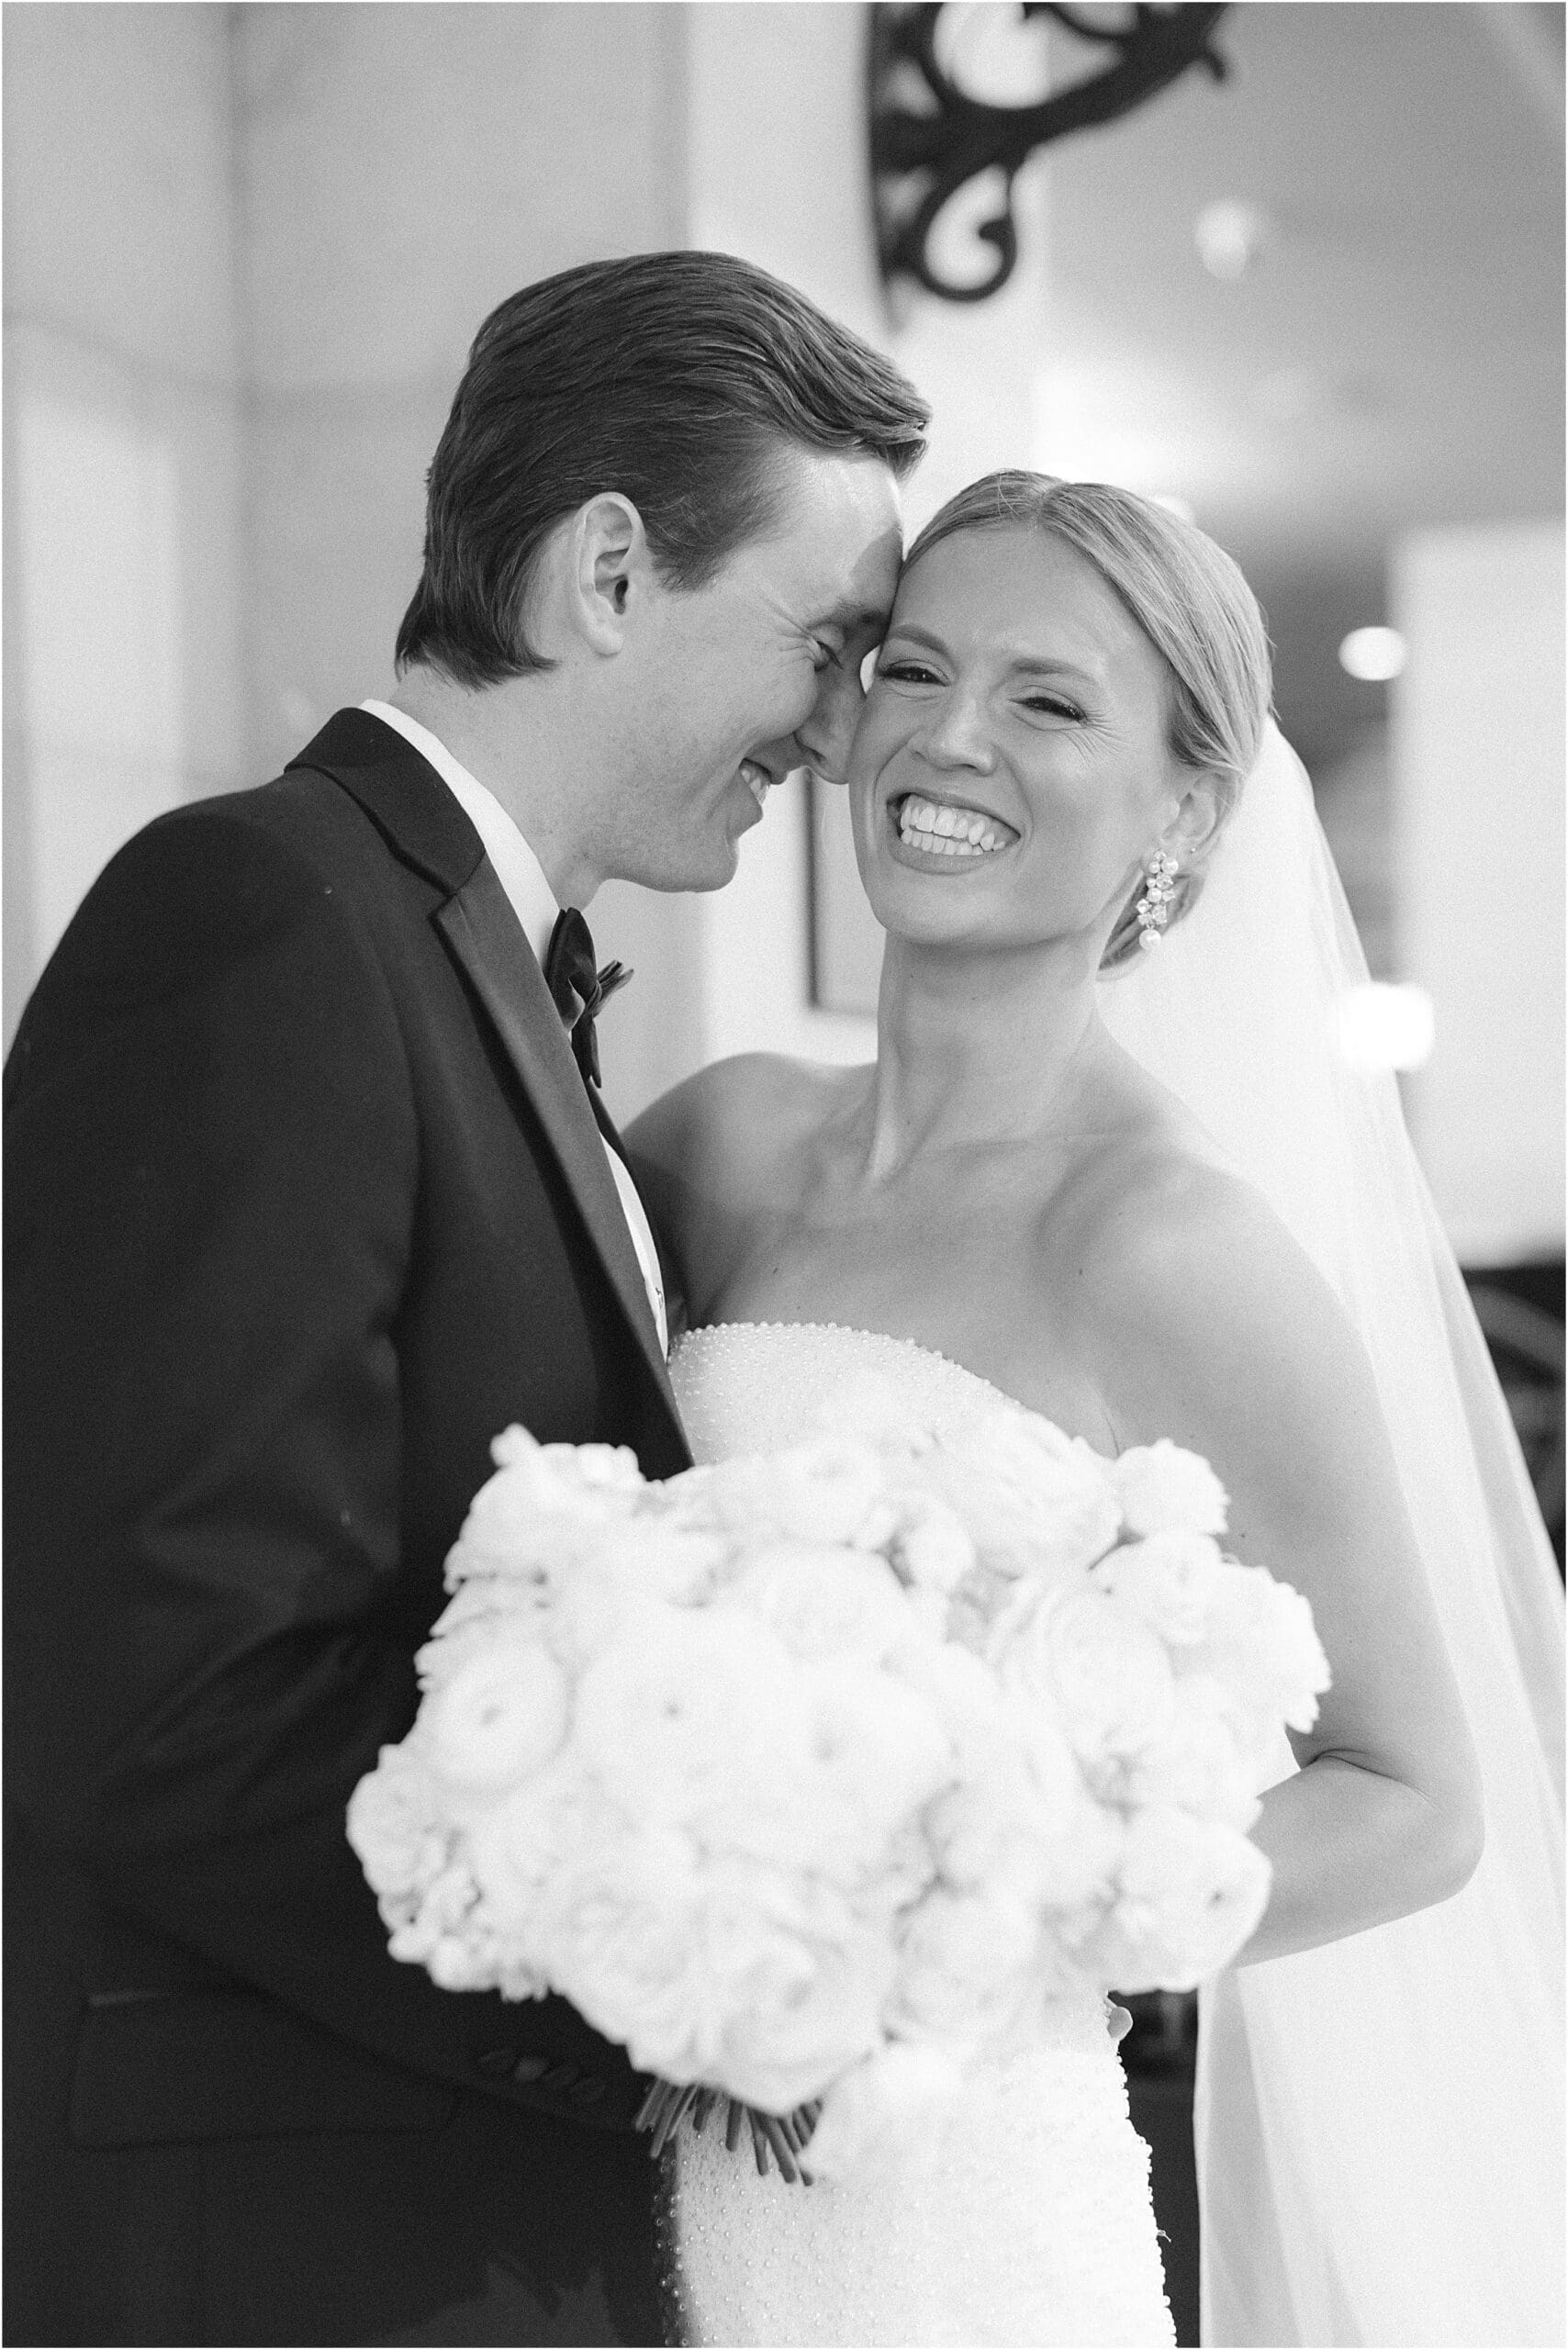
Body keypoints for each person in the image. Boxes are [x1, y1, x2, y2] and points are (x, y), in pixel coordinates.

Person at [3, 250, 924, 2349]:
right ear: (608, 572)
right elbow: (158, 1695)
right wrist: (684, 2011)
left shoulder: (477, 963)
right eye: (829, 641)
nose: (841, 724)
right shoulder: (259, 916)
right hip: (291, 2249)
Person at [631, 472, 1565, 2346]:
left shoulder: (1166, 1242)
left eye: (1047, 700)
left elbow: (1415, 1799)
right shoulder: (715, 1138)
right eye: (912, 666)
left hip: (949, 2208)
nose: (946, 736)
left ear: (1179, 811)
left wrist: (962, 1925)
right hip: (610, 2165)